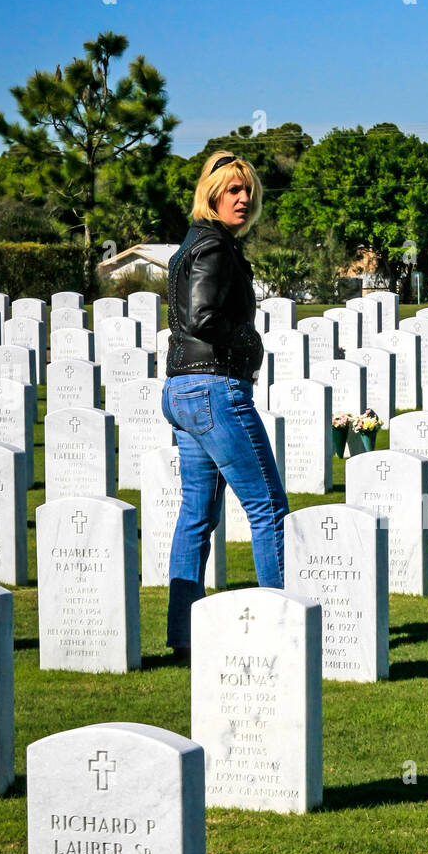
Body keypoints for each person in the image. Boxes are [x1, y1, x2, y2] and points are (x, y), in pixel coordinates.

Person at [161, 151, 289, 658]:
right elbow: (200, 317)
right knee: (269, 510)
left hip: (183, 389)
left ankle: (182, 636)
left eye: (248, 191)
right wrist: (247, 342)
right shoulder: (214, 245)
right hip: (215, 387)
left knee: (196, 513)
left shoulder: (192, 242)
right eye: (232, 189)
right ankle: (282, 629)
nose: (243, 198)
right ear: (211, 194)